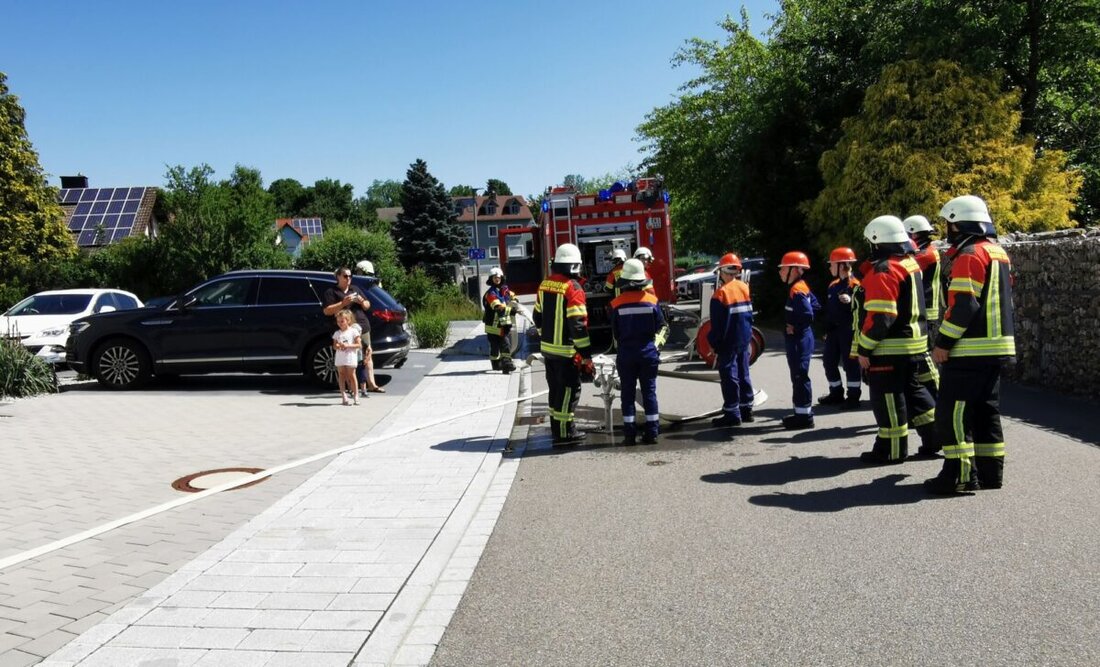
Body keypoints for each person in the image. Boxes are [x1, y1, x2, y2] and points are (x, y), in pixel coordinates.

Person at [924, 195, 1016, 494]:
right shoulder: (997, 252)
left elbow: (964, 305)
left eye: (949, 224)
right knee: (986, 411)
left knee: (954, 412)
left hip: (970, 349)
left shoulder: (969, 255)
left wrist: (943, 342)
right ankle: (991, 474)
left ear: (959, 223)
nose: (947, 230)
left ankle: (959, 476)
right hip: (997, 347)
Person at [853, 215, 937, 464]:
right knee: (915, 393)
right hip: (913, 346)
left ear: (877, 242)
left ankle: (891, 449)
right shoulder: (909, 263)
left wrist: (864, 349)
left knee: (888, 398)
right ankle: (936, 437)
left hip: (888, 349)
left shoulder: (885, 270)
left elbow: (881, 317)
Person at [534, 243, 594, 446]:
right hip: (567, 353)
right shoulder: (573, 288)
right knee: (569, 392)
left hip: (548, 351)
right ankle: (565, 433)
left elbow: (537, 317)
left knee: (556, 391)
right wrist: (586, 354)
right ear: (575, 266)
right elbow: (578, 325)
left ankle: (556, 429)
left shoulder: (545, 284)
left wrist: (546, 337)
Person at [610, 258, 668, 445]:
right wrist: (656, 346)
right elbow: (664, 328)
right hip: (648, 353)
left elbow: (616, 332)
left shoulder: (615, 304)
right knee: (649, 393)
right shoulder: (652, 301)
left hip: (626, 354)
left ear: (624, 282)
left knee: (627, 394)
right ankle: (652, 433)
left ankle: (629, 435)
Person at [708, 252, 756, 427]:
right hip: (743, 339)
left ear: (722, 271)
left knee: (729, 377)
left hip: (728, 342)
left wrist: (714, 344)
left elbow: (717, 326)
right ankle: (746, 409)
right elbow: (749, 316)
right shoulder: (744, 288)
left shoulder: (720, 295)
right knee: (744, 374)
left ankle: (732, 412)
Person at [322, 267, 384, 395]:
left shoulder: (355, 289)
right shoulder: (331, 292)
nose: (348, 278)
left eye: (350, 276)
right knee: (351, 356)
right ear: (338, 277)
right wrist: (343, 303)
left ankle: (372, 384)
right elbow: (327, 310)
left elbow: (367, 305)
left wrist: (362, 302)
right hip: (345, 329)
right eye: (345, 276)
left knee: (367, 354)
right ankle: (352, 387)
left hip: (362, 326)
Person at [779, 251, 820, 429]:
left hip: (799, 340)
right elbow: (817, 306)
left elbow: (808, 314)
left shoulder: (798, 290)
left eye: (783, 269)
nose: (780, 272)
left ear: (794, 270)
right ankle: (800, 413)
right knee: (798, 376)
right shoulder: (801, 287)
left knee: (799, 376)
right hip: (801, 338)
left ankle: (804, 418)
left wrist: (795, 327)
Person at [904, 214, 943, 404]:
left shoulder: (925, 254)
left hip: (926, 309)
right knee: (921, 355)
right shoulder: (926, 250)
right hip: (926, 308)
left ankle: (937, 394)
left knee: (924, 354)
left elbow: (906, 267)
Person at [818, 247, 863, 409]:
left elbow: (862, 307)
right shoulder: (833, 285)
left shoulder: (856, 285)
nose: (830, 267)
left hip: (849, 331)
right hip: (833, 331)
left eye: (833, 264)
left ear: (842, 265)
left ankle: (853, 397)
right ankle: (836, 392)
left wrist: (851, 300)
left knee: (850, 364)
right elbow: (829, 309)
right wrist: (826, 329)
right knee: (829, 362)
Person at [482, 267, 516, 374]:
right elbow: (497, 307)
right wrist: (511, 310)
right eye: (495, 277)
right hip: (493, 326)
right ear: (491, 279)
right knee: (495, 348)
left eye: (498, 277)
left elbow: (512, 297)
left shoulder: (504, 290)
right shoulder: (490, 293)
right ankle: (496, 364)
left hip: (503, 325)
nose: (497, 279)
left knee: (505, 345)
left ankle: (507, 365)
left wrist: (515, 301)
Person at [332, 310, 361, 406]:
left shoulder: (353, 331)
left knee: (351, 375)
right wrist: (338, 346)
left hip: (350, 356)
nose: (339, 324)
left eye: (342, 321)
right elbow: (334, 346)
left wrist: (347, 345)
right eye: (338, 321)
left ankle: (356, 395)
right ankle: (343, 395)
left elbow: (358, 345)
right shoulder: (337, 333)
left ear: (348, 320)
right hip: (340, 357)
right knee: (341, 375)